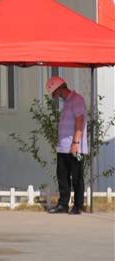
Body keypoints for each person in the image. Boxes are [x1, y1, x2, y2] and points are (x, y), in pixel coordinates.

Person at [46, 76, 88, 214]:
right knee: (62, 177)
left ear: (59, 89)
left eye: (54, 94)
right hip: (63, 148)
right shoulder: (68, 102)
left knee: (77, 177)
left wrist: (75, 143)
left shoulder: (77, 100)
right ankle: (63, 205)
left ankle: (78, 206)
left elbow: (79, 121)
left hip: (75, 148)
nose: (55, 97)